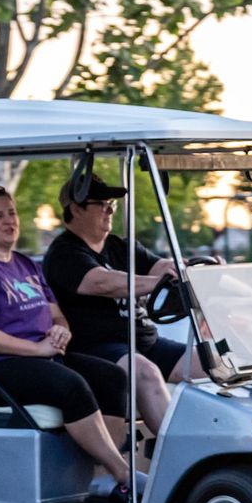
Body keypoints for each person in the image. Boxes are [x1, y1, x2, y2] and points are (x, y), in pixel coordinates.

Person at [0, 186, 136, 495]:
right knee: (71, 385)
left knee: (113, 377)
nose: (9, 221)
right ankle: (123, 473)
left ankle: (98, 479)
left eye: (11, 213)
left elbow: (56, 314)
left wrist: (61, 331)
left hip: (39, 356)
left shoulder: (27, 265)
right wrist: (38, 349)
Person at [42, 174, 202, 435]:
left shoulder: (120, 246)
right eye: (101, 204)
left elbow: (160, 265)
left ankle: (234, 444)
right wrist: (157, 281)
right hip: (95, 348)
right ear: (76, 209)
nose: (110, 210)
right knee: (144, 372)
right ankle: (183, 456)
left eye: (112, 204)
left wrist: (188, 268)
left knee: (214, 363)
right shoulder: (64, 253)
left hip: (145, 342)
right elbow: (102, 282)